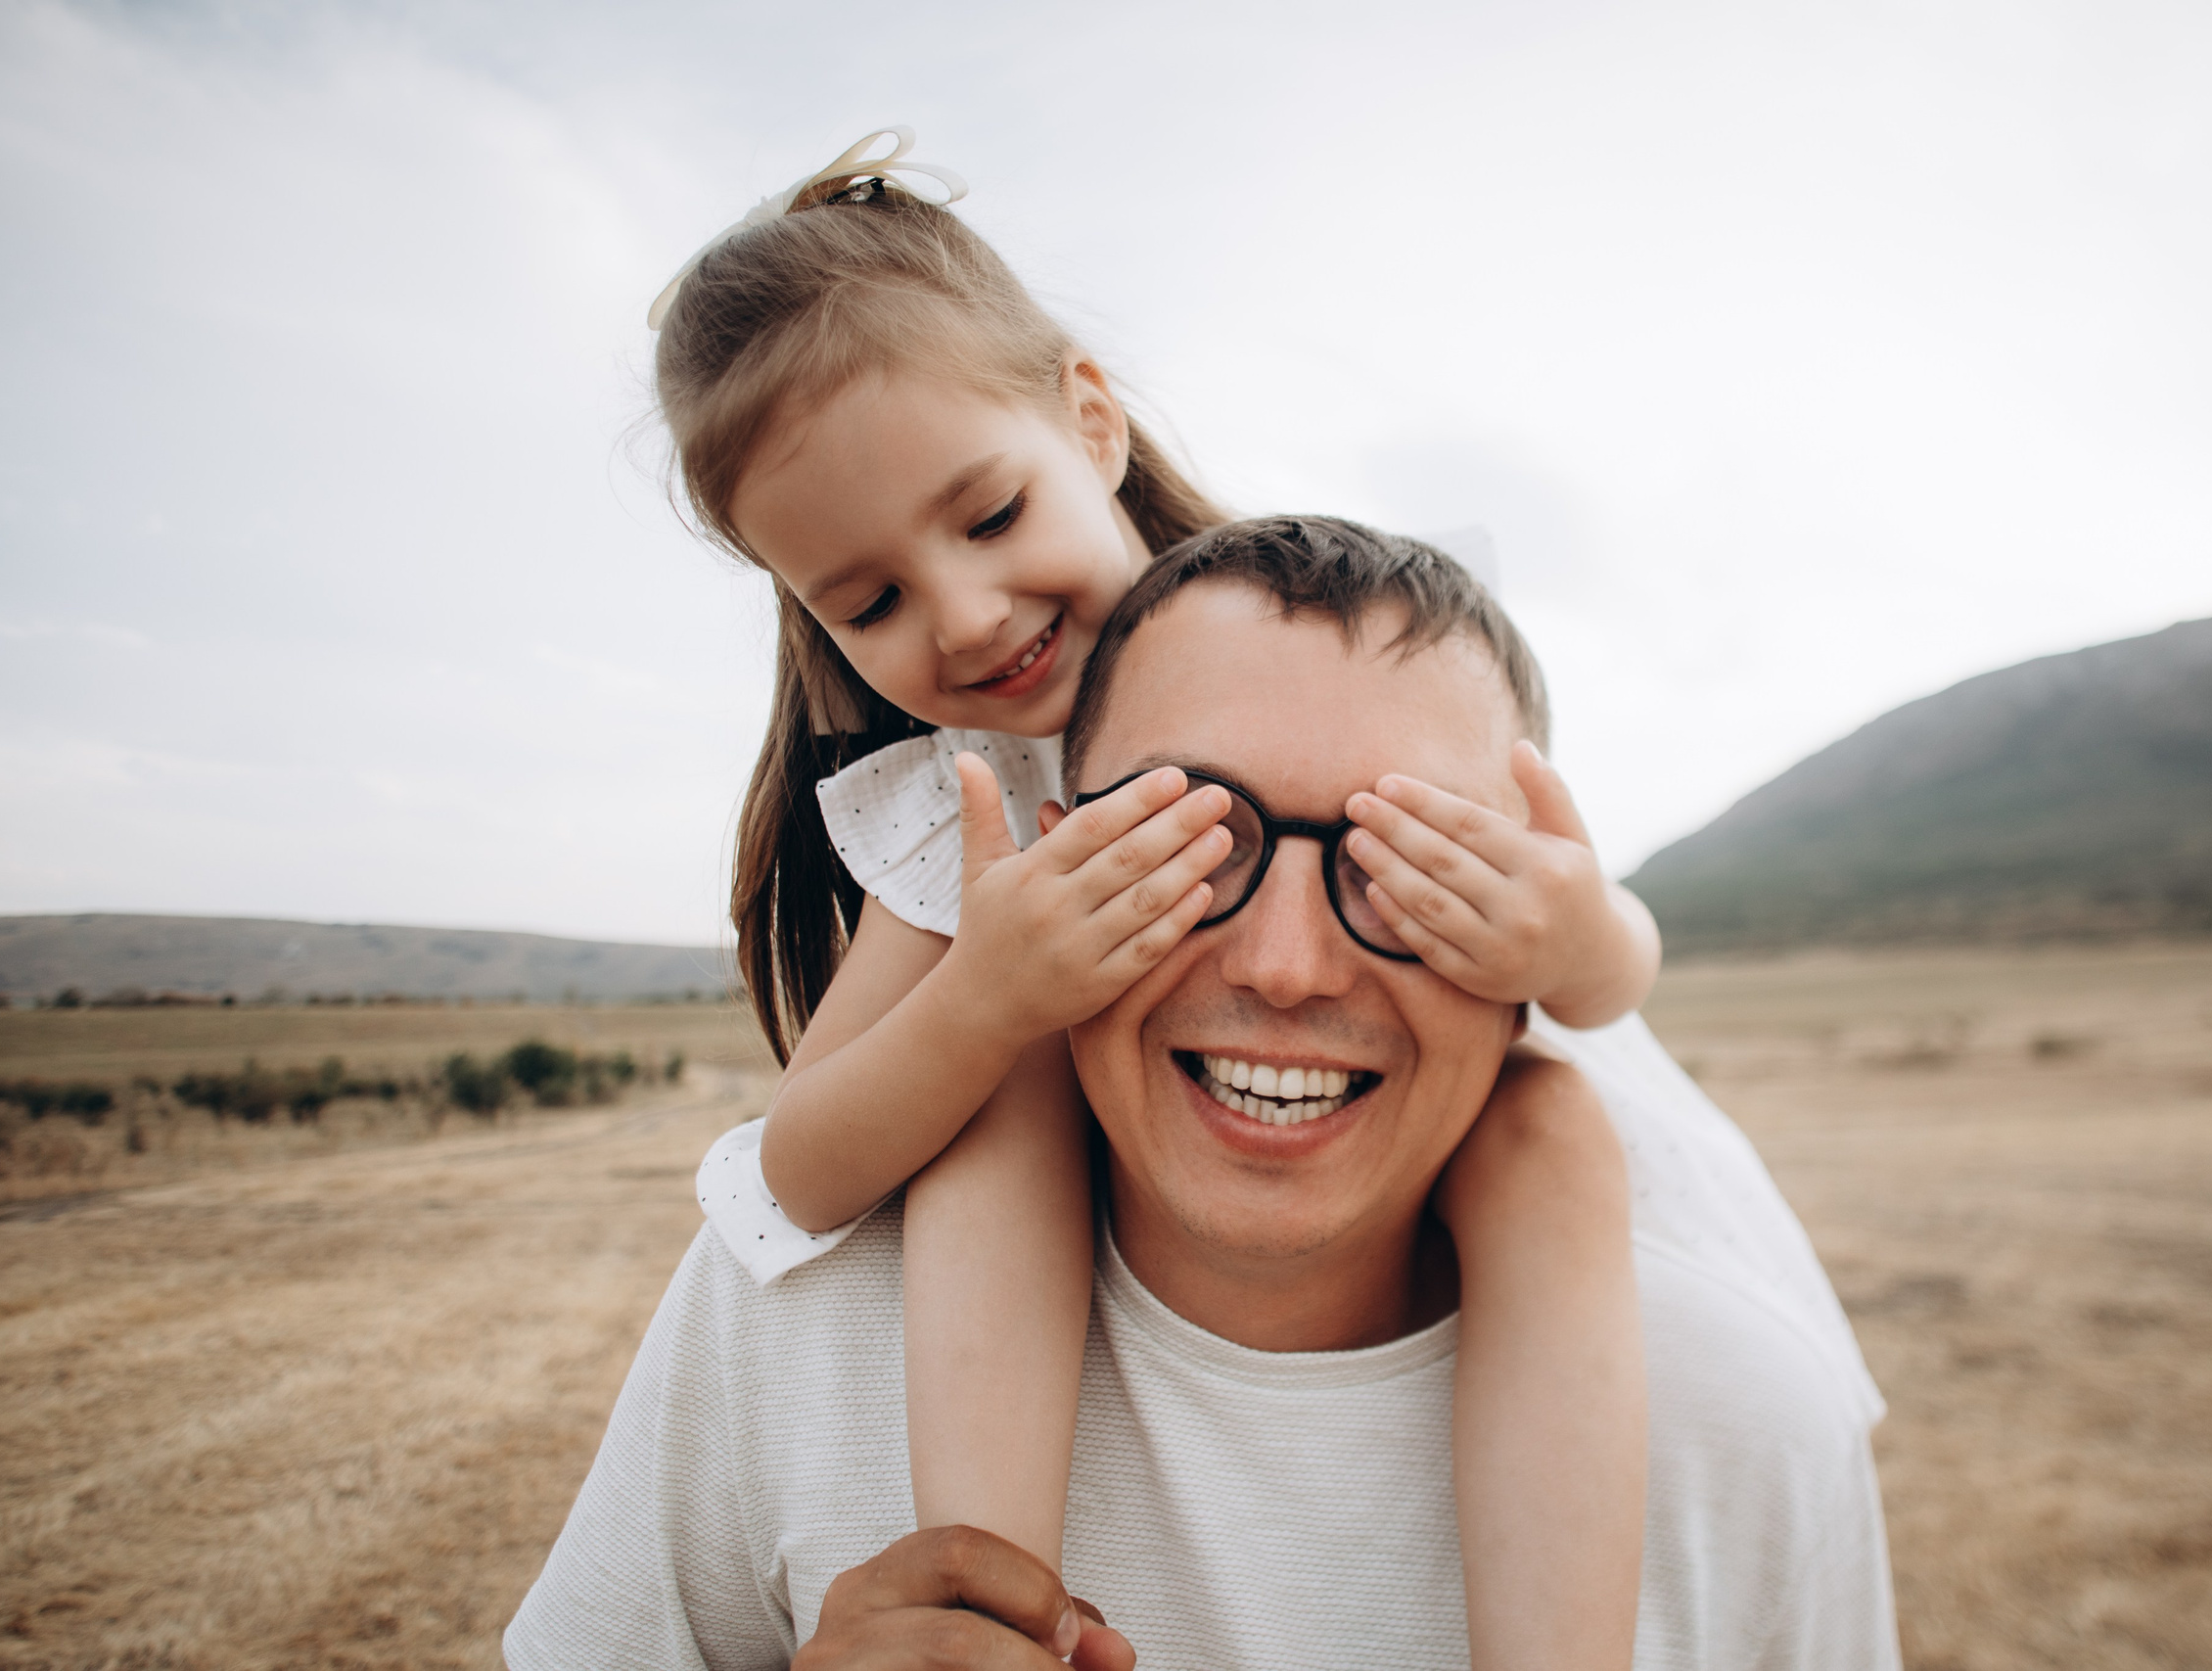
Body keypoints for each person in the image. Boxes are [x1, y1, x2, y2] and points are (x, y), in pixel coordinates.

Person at [505, 517, 1898, 1670]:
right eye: (1188, 841)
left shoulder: (1747, 1432)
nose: (1288, 967)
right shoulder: (791, 1333)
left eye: (1401, 865)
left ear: (1530, 929)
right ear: (1045, 869)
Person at [638, 131, 1648, 1665]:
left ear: (1090, 422)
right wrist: (987, 1000)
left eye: (986, 519)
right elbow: (797, 1172)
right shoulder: (955, 811)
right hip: (1121, 1179)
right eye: (871, 602)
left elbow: (1606, 973)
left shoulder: (1316, 632)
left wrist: (1577, 941)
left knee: (1557, 1126)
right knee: (1010, 1078)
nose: (968, 618)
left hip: (1406, 1139)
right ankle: (1006, 1612)